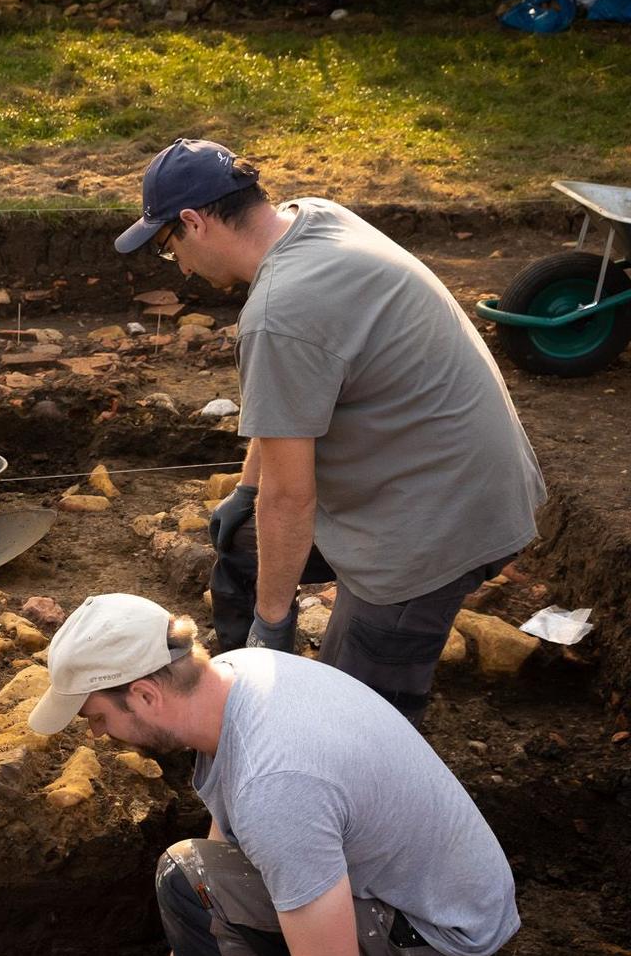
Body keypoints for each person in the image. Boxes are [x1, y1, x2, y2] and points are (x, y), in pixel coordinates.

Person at [28, 593, 518, 956]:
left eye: (97, 718)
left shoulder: (276, 781)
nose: (97, 735)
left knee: (184, 878)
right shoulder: (243, 675)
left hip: (440, 936)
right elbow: (229, 835)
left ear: (144, 694)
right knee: (201, 878)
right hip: (459, 899)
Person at [116, 139, 545, 725]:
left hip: (438, 524)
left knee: (352, 719)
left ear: (193, 222)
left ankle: (356, 773)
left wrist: (274, 625)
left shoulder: (279, 314)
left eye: (171, 250)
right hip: (440, 473)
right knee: (242, 542)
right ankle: (242, 700)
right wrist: (244, 495)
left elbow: (291, 498)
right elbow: (287, 419)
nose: (183, 269)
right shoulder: (315, 217)